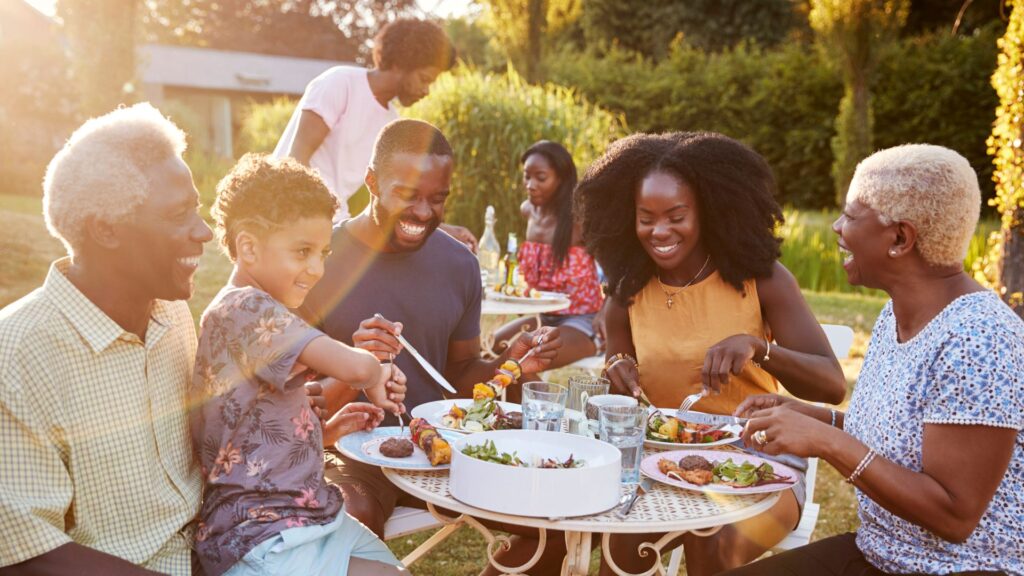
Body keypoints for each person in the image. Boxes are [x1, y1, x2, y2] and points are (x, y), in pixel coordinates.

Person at [722, 144, 1024, 576]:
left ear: (900, 238)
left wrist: (828, 443)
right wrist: (815, 418)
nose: (836, 227)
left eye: (850, 216)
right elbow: (904, 442)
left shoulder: (979, 340)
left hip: (960, 568)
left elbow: (955, 516)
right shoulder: (897, 313)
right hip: (878, 554)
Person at [299, 118, 568, 572]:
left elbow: (460, 374)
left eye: (437, 198)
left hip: (449, 451)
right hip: (354, 455)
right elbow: (296, 403)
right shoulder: (319, 259)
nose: (424, 212)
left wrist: (510, 361)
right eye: (408, 195)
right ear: (371, 182)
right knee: (350, 519)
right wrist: (356, 366)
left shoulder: (458, 264)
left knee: (557, 518)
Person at [574, 131, 847, 575]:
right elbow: (618, 381)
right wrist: (617, 367)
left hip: (760, 458)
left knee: (712, 548)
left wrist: (759, 348)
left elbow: (832, 385)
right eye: (646, 218)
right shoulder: (626, 290)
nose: (659, 231)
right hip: (663, 461)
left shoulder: (763, 279)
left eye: (675, 216)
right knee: (617, 552)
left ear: (708, 211)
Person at [0, 103, 211, 574]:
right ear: (106, 230)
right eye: (179, 215)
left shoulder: (173, 312)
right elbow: (28, 555)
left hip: (220, 548)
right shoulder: (14, 356)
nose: (205, 231)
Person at [190, 154, 410, 576]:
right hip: (261, 533)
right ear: (248, 247)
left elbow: (252, 431)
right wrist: (377, 372)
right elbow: (355, 368)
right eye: (302, 251)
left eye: (323, 252)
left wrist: (323, 433)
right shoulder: (245, 308)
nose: (316, 269)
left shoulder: (257, 313)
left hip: (307, 516)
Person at [273, 18, 477, 250]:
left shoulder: (391, 122)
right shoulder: (341, 83)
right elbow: (296, 157)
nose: (426, 91)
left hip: (332, 223)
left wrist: (445, 231)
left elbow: (389, 198)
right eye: (424, 79)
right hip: (290, 214)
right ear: (403, 62)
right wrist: (302, 222)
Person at [490, 141, 604, 368]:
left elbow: (615, 268)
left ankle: (539, 403)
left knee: (525, 361)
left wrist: (607, 314)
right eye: (526, 177)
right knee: (492, 348)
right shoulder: (528, 211)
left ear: (561, 179)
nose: (530, 185)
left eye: (540, 178)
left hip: (581, 321)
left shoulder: (580, 218)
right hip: (541, 316)